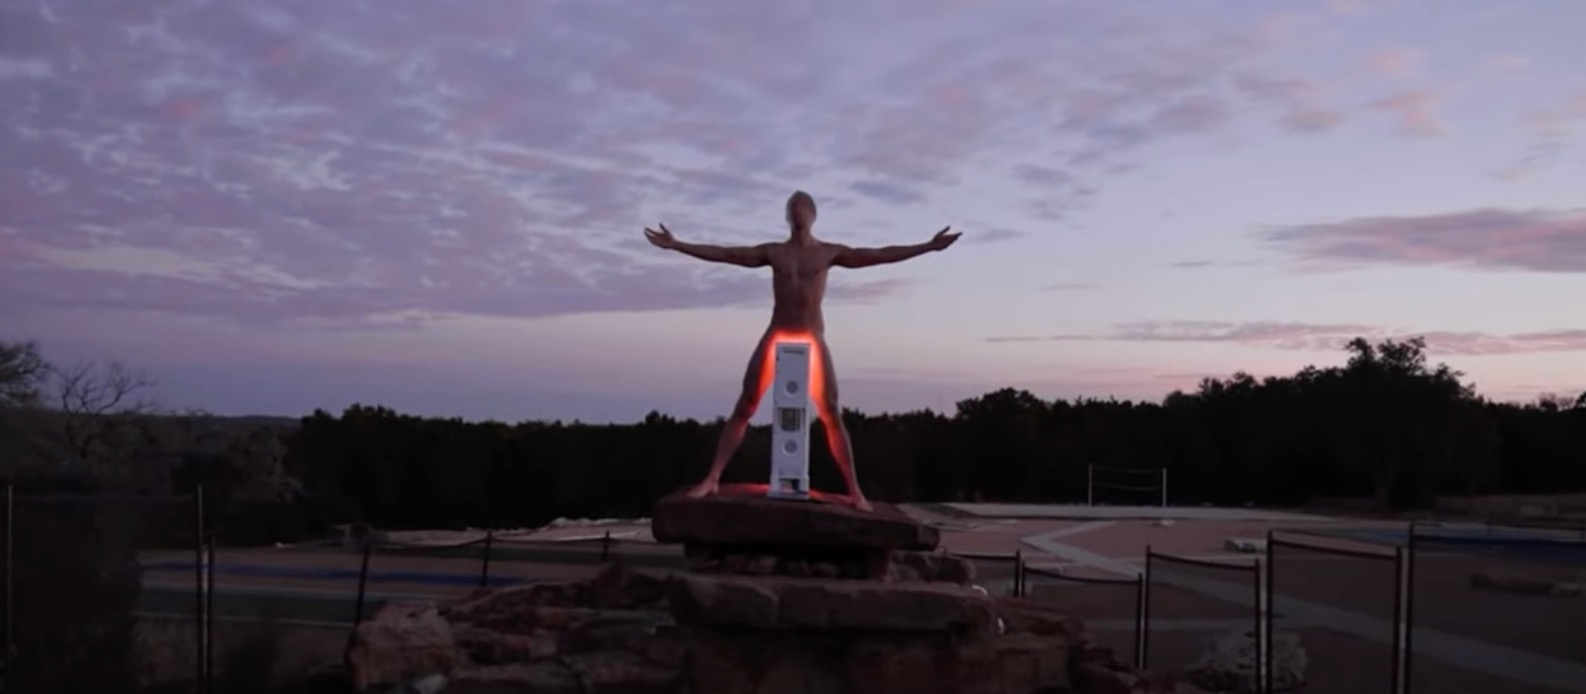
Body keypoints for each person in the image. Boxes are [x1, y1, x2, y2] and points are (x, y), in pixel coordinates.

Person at [643, 190, 961, 511]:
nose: (798, 212)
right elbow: (726, 254)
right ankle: (712, 478)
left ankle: (855, 491)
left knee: (831, 411)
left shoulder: (828, 253)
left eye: (803, 207)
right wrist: (678, 245)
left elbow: (879, 254)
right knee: (746, 404)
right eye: (793, 207)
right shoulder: (774, 252)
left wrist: (927, 246)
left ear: (813, 214)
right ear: (787, 215)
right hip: (777, 332)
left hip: (812, 336)